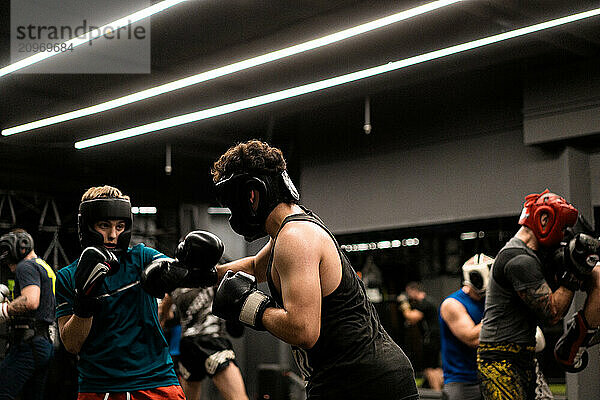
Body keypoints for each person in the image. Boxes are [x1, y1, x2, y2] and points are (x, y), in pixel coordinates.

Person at [195, 139, 417, 399]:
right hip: (349, 379)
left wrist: (248, 305)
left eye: (233, 204)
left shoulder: (295, 237)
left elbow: (303, 330)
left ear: (252, 195)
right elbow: (257, 266)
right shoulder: (286, 231)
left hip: (366, 383)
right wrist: (201, 276)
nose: (234, 215)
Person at [55, 185, 190, 399]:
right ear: (86, 226)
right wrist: (85, 300)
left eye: (120, 226)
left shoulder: (141, 257)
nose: (113, 235)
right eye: (104, 225)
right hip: (98, 386)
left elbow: (171, 266)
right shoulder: (67, 276)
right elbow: (72, 344)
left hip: (155, 381)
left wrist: (182, 268)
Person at [477, 189, 599, 400]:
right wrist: (573, 274)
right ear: (544, 219)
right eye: (562, 228)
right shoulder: (517, 259)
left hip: (525, 355)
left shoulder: (537, 254)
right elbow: (552, 313)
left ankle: (573, 344)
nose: (563, 235)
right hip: (499, 360)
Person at [159, 287, 249, 400]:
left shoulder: (174, 281)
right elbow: (166, 316)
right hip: (209, 341)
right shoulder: (212, 272)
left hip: (191, 344)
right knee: (238, 398)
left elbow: (165, 316)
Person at [0, 229, 55, 400]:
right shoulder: (44, 266)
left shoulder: (26, 265)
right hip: (44, 342)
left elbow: (31, 301)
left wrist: (4, 309)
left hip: (29, 343)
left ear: (19, 247)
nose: (8, 263)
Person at [438, 253, 491, 400]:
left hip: (489, 377)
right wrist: (501, 312)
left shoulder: (488, 301)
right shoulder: (452, 304)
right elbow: (472, 339)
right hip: (462, 383)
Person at [398, 281, 443, 391]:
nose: (409, 296)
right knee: (435, 367)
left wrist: (403, 303)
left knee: (428, 368)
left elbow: (411, 317)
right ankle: (441, 392)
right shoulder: (427, 301)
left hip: (430, 338)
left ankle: (437, 393)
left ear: (414, 291)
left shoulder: (424, 303)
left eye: (409, 293)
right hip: (435, 338)